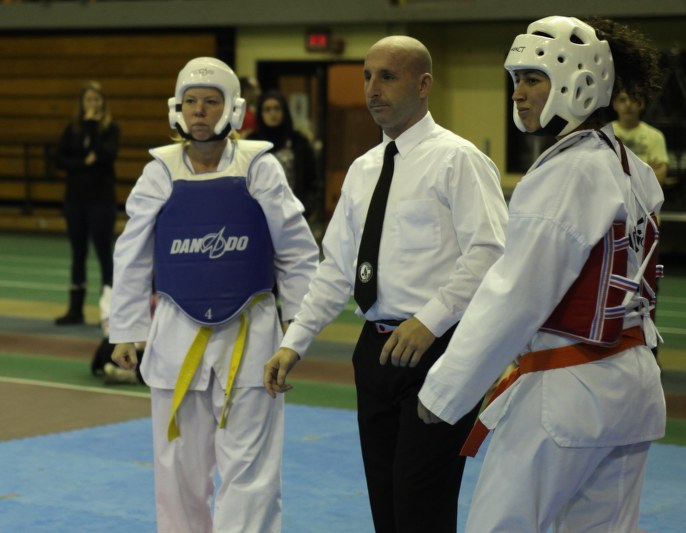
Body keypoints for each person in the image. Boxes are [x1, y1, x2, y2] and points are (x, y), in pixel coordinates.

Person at [417, 16, 667, 532]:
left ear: (579, 82)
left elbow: (515, 296)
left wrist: (441, 392)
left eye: (533, 79)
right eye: (514, 81)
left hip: (566, 390)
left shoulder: (567, 172)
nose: (518, 94)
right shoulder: (629, 168)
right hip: (632, 388)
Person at [264, 36, 508, 533]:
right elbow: (335, 269)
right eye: (367, 77)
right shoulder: (363, 170)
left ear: (424, 85)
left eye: (388, 77)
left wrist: (429, 320)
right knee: (386, 504)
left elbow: (491, 253)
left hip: (437, 354)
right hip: (373, 353)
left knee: (420, 501)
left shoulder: (457, 160)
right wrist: (294, 342)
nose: (374, 89)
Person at [109, 57, 319, 532]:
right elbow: (133, 252)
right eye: (191, 102)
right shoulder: (159, 171)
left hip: (252, 335)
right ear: (176, 109)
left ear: (233, 109)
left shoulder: (259, 168)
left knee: (251, 473)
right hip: (174, 336)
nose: (200, 111)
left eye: (211, 101)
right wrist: (126, 329)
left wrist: (297, 333)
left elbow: (297, 253)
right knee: (177, 472)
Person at [54, 80, 120, 325]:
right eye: (88, 100)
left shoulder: (110, 128)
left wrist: (93, 127)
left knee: (104, 254)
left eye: (96, 100)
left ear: (103, 102)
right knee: (77, 253)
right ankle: (75, 309)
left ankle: (109, 311)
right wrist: (84, 162)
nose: (92, 104)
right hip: (75, 199)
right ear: (81, 103)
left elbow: (107, 154)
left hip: (101, 200)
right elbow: (59, 159)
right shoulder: (71, 129)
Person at [248, 90, 319, 220]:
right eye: (267, 109)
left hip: (294, 214)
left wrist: (306, 209)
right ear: (260, 114)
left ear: (284, 111)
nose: (272, 113)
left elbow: (312, 181)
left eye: (277, 108)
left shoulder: (299, 142)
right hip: (258, 215)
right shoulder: (251, 143)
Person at [612, 89, 669, 185]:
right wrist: (646, 172)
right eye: (622, 100)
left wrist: (619, 173)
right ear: (615, 104)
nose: (628, 104)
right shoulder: (603, 135)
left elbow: (660, 178)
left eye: (633, 99)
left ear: (641, 103)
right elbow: (601, 177)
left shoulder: (655, 136)